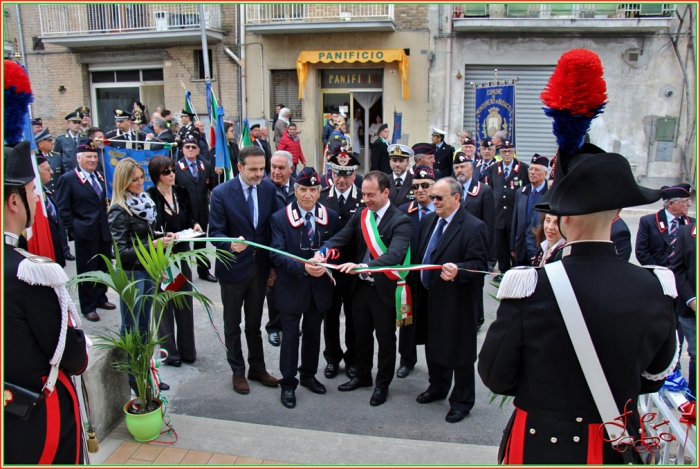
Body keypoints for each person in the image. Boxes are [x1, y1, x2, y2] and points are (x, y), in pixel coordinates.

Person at [478, 150, 678, 464]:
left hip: (539, 445)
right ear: (617, 214)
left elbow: (495, 376)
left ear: (564, 216)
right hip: (616, 445)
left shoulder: (531, 286)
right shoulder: (656, 287)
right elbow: (654, 376)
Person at [4, 141, 89, 464]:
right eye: (32, 190)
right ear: (14, 201)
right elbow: (72, 356)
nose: (38, 197)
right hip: (33, 416)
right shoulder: (30, 273)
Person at [314, 171, 412, 406]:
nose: (366, 199)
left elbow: (394, 255)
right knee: (360, 336)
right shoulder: (361, 214)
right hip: (360, 289)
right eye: (364, 194)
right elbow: (343, 236)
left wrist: (364, 265)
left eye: (371, 195)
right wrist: (324, 251)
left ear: (386, 192)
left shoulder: (400, 220)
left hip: (383, 289)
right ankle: (363, 376)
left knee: (386, 340)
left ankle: (382, 384)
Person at [413, 177, 488, 423]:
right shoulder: (429, 221)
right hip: (430, 295)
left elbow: (480, 266)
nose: (433, 201)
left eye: (438, 197)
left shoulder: (473, 227)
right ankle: (437, 387)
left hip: (458, 300)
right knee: (434, 346)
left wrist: (459, 270)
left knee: (460, 353)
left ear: (456, 198)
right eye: (432, 197)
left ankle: (462, 401)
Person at [209, 145, 280, 394]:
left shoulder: (269, 189)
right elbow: (213, 234)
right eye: (253, 169)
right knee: (232, 324)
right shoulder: (221, 193)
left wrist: (272, 266)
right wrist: (229, 243)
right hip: (232, 269)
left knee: (253, 323)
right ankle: (237, 372)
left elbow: (272, 231)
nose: (259, 174)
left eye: (262, 168)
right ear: (240, 167)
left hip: (259, 268)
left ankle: (257, 368)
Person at [270, 167, 340, 408]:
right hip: (291, 287)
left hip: (319, 289)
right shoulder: (280, 218)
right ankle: (288, 384)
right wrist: (304, 268)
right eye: (302, 190)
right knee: (290, 339)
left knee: (312, 335)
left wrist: (326, 263)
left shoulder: (330, 216)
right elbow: (277, 255)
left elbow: (336, 248)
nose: (307, 195)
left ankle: (308, 375)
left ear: (319, 191)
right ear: (295, 191)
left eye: (312, 189)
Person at [108, 157, 175, 393]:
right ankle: (135, 380)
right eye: (133, 180)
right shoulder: (118, 210)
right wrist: (154, 245)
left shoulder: (142, 202)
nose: (139, 183)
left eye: (141, 178)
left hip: (147, 271)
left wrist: (163, 237)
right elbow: (122, 252)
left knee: (146, 328)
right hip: (131, 276)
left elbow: (145, 236)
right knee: (133, 330)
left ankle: (147, 375)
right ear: (123, 181)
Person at [148, 155, 203, 367]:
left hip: (182, 253)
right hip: (163, 257)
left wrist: (196, 224)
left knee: (184, 302)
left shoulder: (181, 192)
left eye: (172, 170)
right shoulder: (150, 196)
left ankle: (188, 350)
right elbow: (150, 230)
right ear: (156, 176)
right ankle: (169, 353)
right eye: (166, 172)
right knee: (164, 306)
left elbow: (190, 218)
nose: (172, 174)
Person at [318, 149, 365, 379]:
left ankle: (353, 359)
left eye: (347, 174)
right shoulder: (322, 196)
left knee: (354, 318)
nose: (342, 179)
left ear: (355, 174)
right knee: (331, 316)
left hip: (354, 269)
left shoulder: (363, 199)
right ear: (331, 173)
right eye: (338, 173)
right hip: (330, 269)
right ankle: (332, 358)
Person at [55, 140, 114, 322]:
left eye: (95, 156)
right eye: (88, 156)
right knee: (87, 271)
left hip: (103, 232)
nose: (93, 160)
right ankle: (88, 305)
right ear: (78, 158)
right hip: (84, 232)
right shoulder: (68, 179)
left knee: (103, 267)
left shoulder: (100, 176)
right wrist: (74, 229)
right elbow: (63, 208)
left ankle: (101, 297)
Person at [396, 165, 436, 378]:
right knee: (407, 319)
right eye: (416, 186)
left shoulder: (440, 211)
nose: (420, 190)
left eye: (425, 186)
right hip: (409, 277)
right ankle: (406, 359)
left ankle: (434, 365)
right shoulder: (404, 211)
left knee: (431, 321)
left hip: (431, 277)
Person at [454, 152, 495, 328]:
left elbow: (489, 226)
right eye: (456, 168)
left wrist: (488, 256)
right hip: (456, 246)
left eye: (462, 167)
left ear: (471, 169)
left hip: (475, 248)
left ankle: (477, 318)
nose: (459, 170)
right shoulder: (452, 190)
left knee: (475, 284)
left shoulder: (484, 191)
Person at [263, 151, 297, 347]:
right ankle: (274, 327)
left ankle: (290, 323)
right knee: (273, 289)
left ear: (291, 169)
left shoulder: (298, 187)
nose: (276, 171)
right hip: (272, 248)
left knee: (294, 289)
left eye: (281, 168)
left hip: (294, 248)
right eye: (273, 167)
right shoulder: (264, 188)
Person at [175, 134, 218, 283]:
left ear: (199, 149)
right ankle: (182, 274)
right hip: (183, 214)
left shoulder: (204, 165)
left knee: (201, 245)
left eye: (194, 147)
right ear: (182, 149)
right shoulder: (176, 167)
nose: (191, 149)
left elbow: (212, 186)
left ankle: (203, 270)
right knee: (182, 246)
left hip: (201, 212)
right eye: (188, 147)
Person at [489, 140, 529, 278]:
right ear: (500, 153)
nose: (507, 154)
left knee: (515, 246)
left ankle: (516, 273)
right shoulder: (493, 168)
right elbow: (491, 190)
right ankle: (504, 272)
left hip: (515, 216)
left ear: (514, 152)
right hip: (499, 216)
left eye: (510, 151)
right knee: (501, 247)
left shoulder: (523, 169)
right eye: (504, 151)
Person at [635, 184, 694, 267]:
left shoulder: (692, 223)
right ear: (671, 203)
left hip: (682, 276)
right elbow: (642, 252)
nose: (690, 204)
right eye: (686, 201)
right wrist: (659, 272)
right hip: (657, 274)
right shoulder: (649, 222)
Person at [669, 222, 697, 399]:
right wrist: (691, 300)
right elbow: (678, 268)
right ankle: (694, 400)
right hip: (691, 310)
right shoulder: (688, 232)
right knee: (696, 353)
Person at [511, 154, 549, 266]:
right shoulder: (521, 192)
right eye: (531, 169)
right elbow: (515, 220)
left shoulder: (549, 193)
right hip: (521, 247)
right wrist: (513, 246)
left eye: (537, 170)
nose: (532, 172)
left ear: (545, 174)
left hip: (538, 247)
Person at [36, 155, 70, 267]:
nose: (51, 172)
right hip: (44, 254)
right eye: (47, 169)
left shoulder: (45, 192)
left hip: (56, 251)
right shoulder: (35, 196)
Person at [35, 128, 63, 194]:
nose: (52, 143)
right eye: (49, 141)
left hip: (57, 196)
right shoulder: (35, 160)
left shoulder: (57, 157)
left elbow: (62, 177)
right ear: (40, 144)